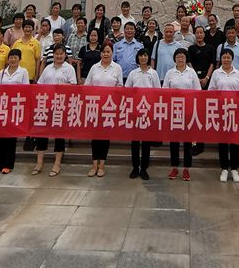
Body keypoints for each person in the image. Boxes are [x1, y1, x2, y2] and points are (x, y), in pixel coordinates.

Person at [32, 44, 77, 177]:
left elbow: (73, 86)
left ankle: (57, 163)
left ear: (65, 55)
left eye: (61, 53)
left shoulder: (69, 69)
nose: (58, 56)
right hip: (45, 105)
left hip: (61, 106)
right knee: (42, 134)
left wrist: (63, 86)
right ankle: (39, 162)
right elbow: (40, 85)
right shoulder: (47, 68)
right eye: (56, 53)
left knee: (59, 135)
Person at [84, 43, 123, 177]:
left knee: (105, 137)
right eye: (104, 52)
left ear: (112, 53)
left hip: (109, 108)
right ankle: (94, 165)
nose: (106, 54)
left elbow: (120, 88)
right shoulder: (94, 67)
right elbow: (87, 86)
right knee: (95, 137)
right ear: (100, 53)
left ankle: (102, 165)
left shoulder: (117, 68)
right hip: (95, 107)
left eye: (108, 51)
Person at [208, 49, 239, 182]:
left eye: (228, 57)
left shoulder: (238, 73)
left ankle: (234, 168)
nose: (226, 59)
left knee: (235, 140)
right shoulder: (216, 73)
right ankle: (224, 168)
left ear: (232, 58)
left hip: (235, 110)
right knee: (223, 140)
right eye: (224, 57)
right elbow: (211, 91)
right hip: (221, 110)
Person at [164, 48, 201, 181]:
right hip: (174, 111)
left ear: (186, 58)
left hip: (188, 111)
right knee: (174, 141)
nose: (180, 58)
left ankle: (186, 168)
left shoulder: (191, 73)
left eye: (183, 56)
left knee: (187, 141)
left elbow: (198, 90)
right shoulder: (170, 73)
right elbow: (164, 91)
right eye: (178, 56)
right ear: (175, 59)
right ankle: (174, 167)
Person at [0, 48, 29, 173]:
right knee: (0, 135)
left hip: (15, 107)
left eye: (15, 57)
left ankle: (8, 164)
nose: (13, 59)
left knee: (11, 137)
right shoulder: (2, 72)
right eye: (11, 57)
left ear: (20, 59)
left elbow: (26, 89)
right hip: (2, 107)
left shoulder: (23, 72)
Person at [125, 49, 161, 180]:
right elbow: (127, 91)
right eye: (141, 55)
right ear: (138, 58)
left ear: (148, 58)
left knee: (146, 142)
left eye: (145, 55)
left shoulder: (153, 73)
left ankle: (144, 168)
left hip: (148, 111)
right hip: (135, 111)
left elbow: (157, 92)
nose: (143, 58)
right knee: (135, 142)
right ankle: (135, 167)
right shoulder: (133, 73)